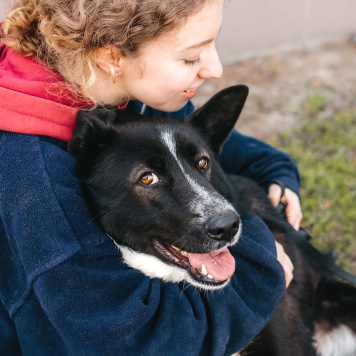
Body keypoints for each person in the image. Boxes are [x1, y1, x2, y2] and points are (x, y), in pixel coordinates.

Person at [0, 0, 296, 354]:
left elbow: (189, 137)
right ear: (113, 57)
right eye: (191, 58)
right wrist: (261, 266)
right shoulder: (34, 182)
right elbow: (138, 340)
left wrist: (272, 168)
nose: (215, 68)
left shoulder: (110, 84)